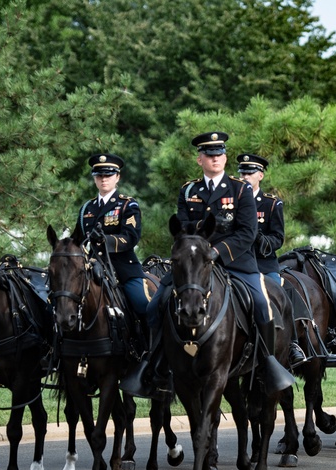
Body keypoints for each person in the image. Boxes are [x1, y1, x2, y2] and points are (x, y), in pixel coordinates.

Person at [165, 131, 293, 392]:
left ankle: (268, 362)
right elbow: (183, 229)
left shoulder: (240, 188)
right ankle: (155, 363)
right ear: (200, 159)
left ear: (224, 158)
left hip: (237, 263)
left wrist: (218, 252)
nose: (216, 159)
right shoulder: (189, 190)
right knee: (158, 303)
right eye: (209, 155)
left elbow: (248, 232)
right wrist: (198, 250)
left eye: (220, 154)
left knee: (261, 304)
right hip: (196, 265)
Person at [237, 153, 304, 367]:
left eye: (250, 173)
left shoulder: (271, 204)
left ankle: (292, 344)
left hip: (263, 264)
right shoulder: (232, 201)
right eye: (242, 172)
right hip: (235, 262)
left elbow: (277, 239)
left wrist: (257, 238)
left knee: (282, 293)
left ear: (260, 176)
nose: (245, 176)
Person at [77, 153, 151, 319]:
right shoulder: (86, 208)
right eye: (99, 175)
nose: (104, 179)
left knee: (143, 304)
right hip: (92, 267)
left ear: (117, 177)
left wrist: (106, 241)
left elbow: (131, 237)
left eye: (108, 175)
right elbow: (78, 240)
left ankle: (149, 344)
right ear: (95, 179)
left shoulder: (127, 204)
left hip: (122, 267)